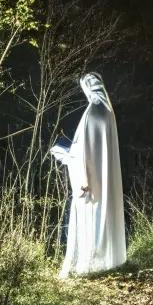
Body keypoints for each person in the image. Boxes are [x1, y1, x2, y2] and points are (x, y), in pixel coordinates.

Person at [52, 72, 126, 278]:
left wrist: (64, 153)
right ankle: (109, 259)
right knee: (104, 212)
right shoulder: (108, 112)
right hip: (105, 178)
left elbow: (82, 151)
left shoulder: (92, 111)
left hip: (89, 179)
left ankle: (92, 261)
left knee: (92, 215)